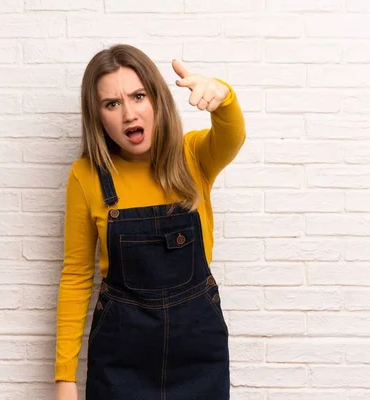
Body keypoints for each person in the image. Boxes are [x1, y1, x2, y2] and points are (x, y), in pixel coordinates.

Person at [54, 43, 246, 400]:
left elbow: (232, 137)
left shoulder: (193, 156)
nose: (129, 114)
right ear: (97, 115)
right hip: (121, 357)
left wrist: (224, 96)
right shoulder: (87, 176)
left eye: (138, 96)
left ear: (157, 98)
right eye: (112, 104)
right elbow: (76, 276)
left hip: (197, 351)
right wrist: (65, 379)